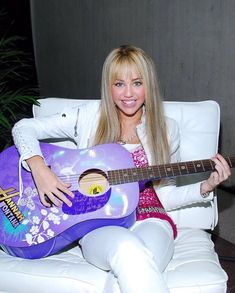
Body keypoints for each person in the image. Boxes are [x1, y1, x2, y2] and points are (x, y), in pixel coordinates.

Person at [12, 44, 231, 293]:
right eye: (119, 84)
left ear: (149, 85)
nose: (129, 93)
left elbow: (165, 195)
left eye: (137, 83)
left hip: (151, 218)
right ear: (109, 86)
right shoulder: (88, 117)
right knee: (128, 250)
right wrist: (40, 170)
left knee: (133, 269)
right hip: (97, 222)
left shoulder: (167, 129)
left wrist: (206, 186)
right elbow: (23, 128)